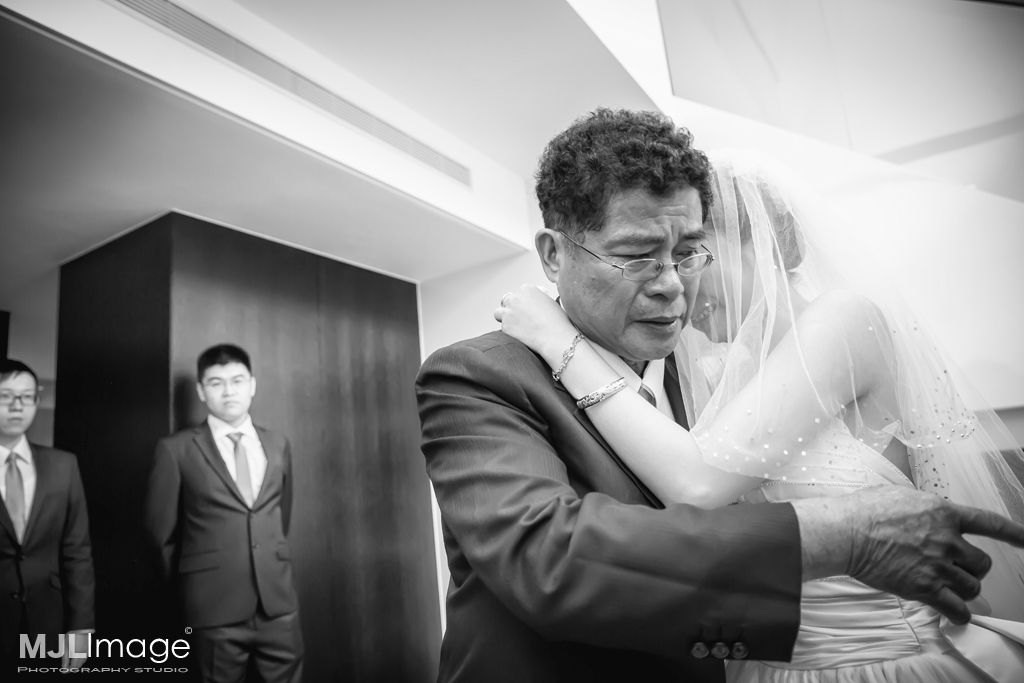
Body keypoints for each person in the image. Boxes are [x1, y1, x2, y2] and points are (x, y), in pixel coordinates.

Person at [416, 108, 1024, 683]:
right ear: (553, 254)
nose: (673, 286)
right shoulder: (478, 375)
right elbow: (552, 561)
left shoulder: (709, 378)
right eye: (637, 257)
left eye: (688, 254)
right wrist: (842, 538)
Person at [145, 344, 303, 683]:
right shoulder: (176, 449)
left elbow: (281, 516)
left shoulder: (278, 444)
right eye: (216, 383)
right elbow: (160, 535)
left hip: (277, 603)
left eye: (237, 380)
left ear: (252, 385)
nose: (229, 391)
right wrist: (194, 588)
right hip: (212, 607)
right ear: (201, 391)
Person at [0, 359, 94, 673]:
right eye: (5, 396)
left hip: (46, 624)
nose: (17, 406)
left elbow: (77, 552)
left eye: (27, 396)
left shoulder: (63, 465)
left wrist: (81, 627)